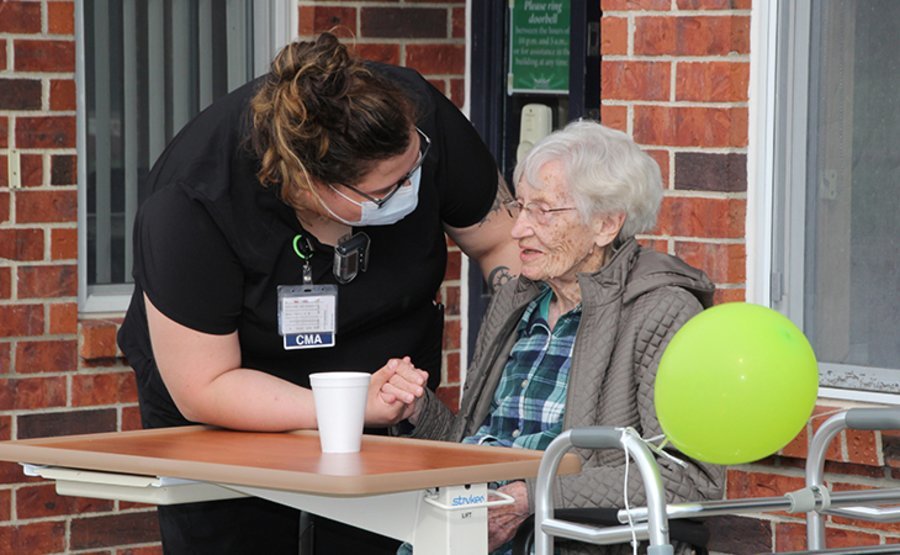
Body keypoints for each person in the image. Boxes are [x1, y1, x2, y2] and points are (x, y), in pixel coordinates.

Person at [116, 32, 520, 554]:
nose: (410, 189)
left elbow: (505, 243)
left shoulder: (412, 114)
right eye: (384, 190)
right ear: (307, 186)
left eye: (415, 168)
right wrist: (348, 408)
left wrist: (505, 383)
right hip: (232, 412)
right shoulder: (193, 201)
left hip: (390, 402)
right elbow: (204, 384)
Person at [391, 120, 725, 554]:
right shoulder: (518, 299)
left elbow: (690, 477)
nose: (518, 230)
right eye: (520, 207)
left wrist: (535, 496)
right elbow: (477, 443)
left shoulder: (661, 311)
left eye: (542, 211)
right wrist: (419, 412)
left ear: (606, 225)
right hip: (470, 530)